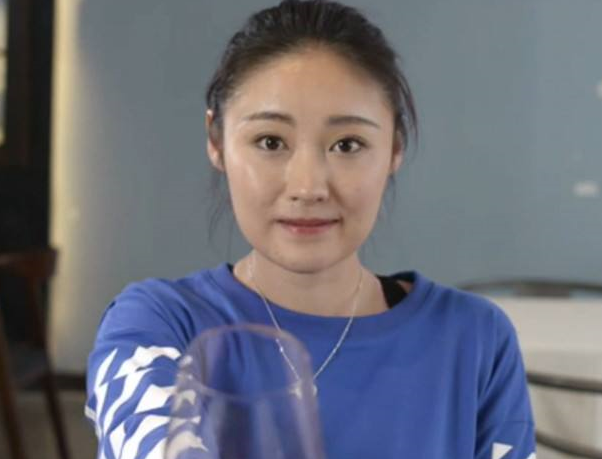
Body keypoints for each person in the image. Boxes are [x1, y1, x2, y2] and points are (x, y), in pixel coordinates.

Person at [85, 1, 537, 458]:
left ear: (394, 149)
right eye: (270, 142)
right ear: (217, 141)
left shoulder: (475, 339)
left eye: (348, 145)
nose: (308, 187)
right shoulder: (155, 324)